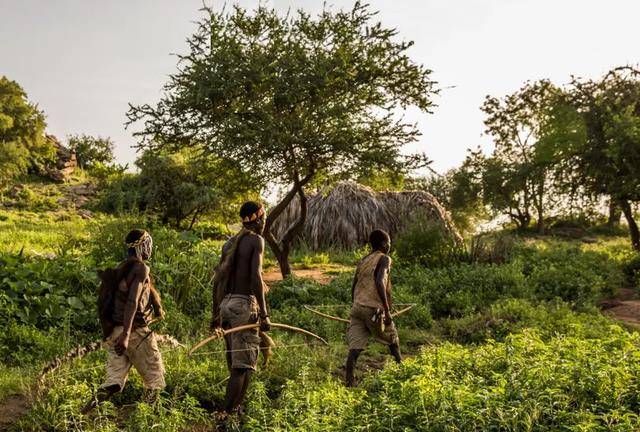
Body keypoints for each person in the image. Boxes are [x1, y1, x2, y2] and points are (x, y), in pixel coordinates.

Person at [82, 229, 166, 413]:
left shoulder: (121, 268)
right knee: (155, 380)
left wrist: (120, 335)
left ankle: (80, 417)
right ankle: (143, 420)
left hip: (115, 333)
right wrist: (127, 335)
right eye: (149, 244)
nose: (150, 248)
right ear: (142, 246)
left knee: (112, 384)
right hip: (134, 333)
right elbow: (132, 301)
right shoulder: (141, 268)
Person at [211, 201, 271, 415]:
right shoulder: (256, 241)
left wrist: (216, 313)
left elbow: (218, 281)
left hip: (226, 304)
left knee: (240, 366)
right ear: (259, 219)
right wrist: (263, 314)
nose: (265, 221)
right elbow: (256, 277)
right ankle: (224, 415)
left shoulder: (229, 243)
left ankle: (236, 410)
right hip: (243, 305)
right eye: (264, 217)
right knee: (241, 367)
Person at [345, 229, 402, 387]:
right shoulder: (384, 258)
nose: (390, 246)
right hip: (373, 310)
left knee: (355, 349)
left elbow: (354, 286)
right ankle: (403, 371)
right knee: (392, 338)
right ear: (384, 244)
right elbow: (380, 281)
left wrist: (356, 306)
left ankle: (349, 383)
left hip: (357, 308)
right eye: (389, 243)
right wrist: (387, 311)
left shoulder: (364, 260)